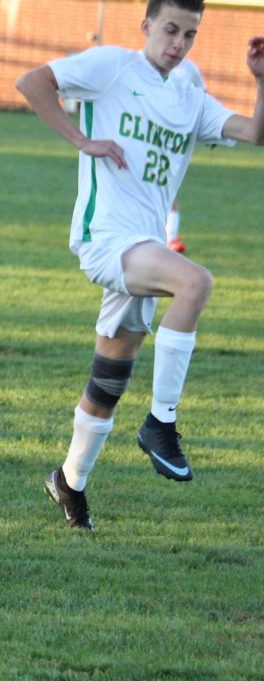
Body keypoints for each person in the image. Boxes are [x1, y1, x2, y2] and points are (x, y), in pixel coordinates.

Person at [15, 0, 264, 530]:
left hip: (144, 246)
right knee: (195, 282)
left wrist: (260, 80)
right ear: (146, 26)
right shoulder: (111, 66)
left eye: (189, 34)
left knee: (109, 379)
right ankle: (160, 424)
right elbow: (32, 82)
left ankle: (68, 482)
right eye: (170, 29)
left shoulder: (189, 94)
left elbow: (254, 133)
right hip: (106, 239)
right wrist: (82, 140)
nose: (178, 42)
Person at [164, 57, 206, 252]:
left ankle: (170, 238)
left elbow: (203, 97)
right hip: (147, 135)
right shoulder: (141, 65)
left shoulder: (189, 69)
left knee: (168, 185)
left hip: (176, 138)